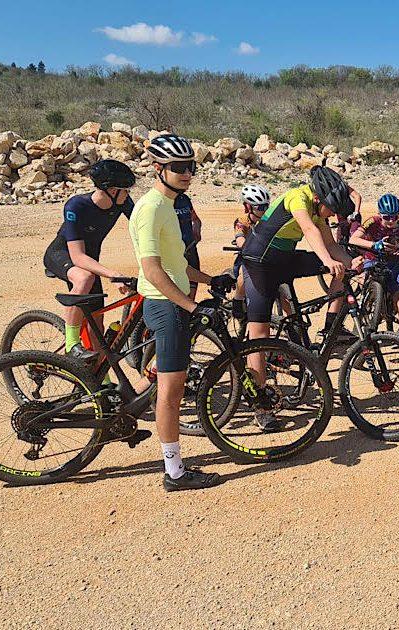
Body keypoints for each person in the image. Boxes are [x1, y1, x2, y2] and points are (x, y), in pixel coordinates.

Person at [129, 133, 234, 492]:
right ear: (157, 169)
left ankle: (130, 405)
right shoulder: (151, 208)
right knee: (171, 394)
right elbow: (154, 270)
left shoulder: (172, 204)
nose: (186, 173)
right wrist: (191, 305)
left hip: (171, 301)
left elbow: (176, 265)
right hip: (164, 305)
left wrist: (209, 279)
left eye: (190, 167)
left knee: (165, 377)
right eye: (177, 168)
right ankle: (174, 472)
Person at [240, 166, 358, 429]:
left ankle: (328, 330)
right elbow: (310, 231)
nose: (331, 215)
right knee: (258, 334)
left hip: (283, 260)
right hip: (259, 262)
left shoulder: (319, 210)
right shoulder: (298, 198)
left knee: (342, 271)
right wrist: (328, 262)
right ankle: (260, 406)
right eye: (331, 210)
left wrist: (353, 263)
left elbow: (331, 244)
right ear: (318, 199)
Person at [42, 159, 136, 360]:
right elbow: (78, 256)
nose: (128, 194)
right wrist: (113, 274)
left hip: (91, 262)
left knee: (97, 328)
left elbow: (141, 228)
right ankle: (72, 343)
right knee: (84, 278)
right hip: (63, 255)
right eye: (125, 190)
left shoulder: (123, 201)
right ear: (111, 190)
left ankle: (102, 382)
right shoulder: (77, 205)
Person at [350, 193, 399, 334]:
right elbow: (354, 239)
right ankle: (364, 312)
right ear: (379, 214)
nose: (391, 221)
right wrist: (374, 245)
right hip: (374, 261)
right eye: (387, 217)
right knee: (362, 283)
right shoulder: (372, 222)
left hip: (395, 264)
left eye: (395, 217)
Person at [229, 184, 272, 319]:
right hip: (248, 257)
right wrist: (245, 245)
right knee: (245, 270)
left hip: (265, 258)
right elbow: (240, 238)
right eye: (260, 207)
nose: (264, 210)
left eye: (266, 207)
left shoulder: (269, 220)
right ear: (248, 207)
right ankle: (238, 299)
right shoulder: (242, 221)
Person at [173, 191, 203, 299]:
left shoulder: (184, 199)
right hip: (174, 253)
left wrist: (197, 230)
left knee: (191, 292)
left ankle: (188, 314)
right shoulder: (164, 201)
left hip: (190, 250)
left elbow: (195, 219)